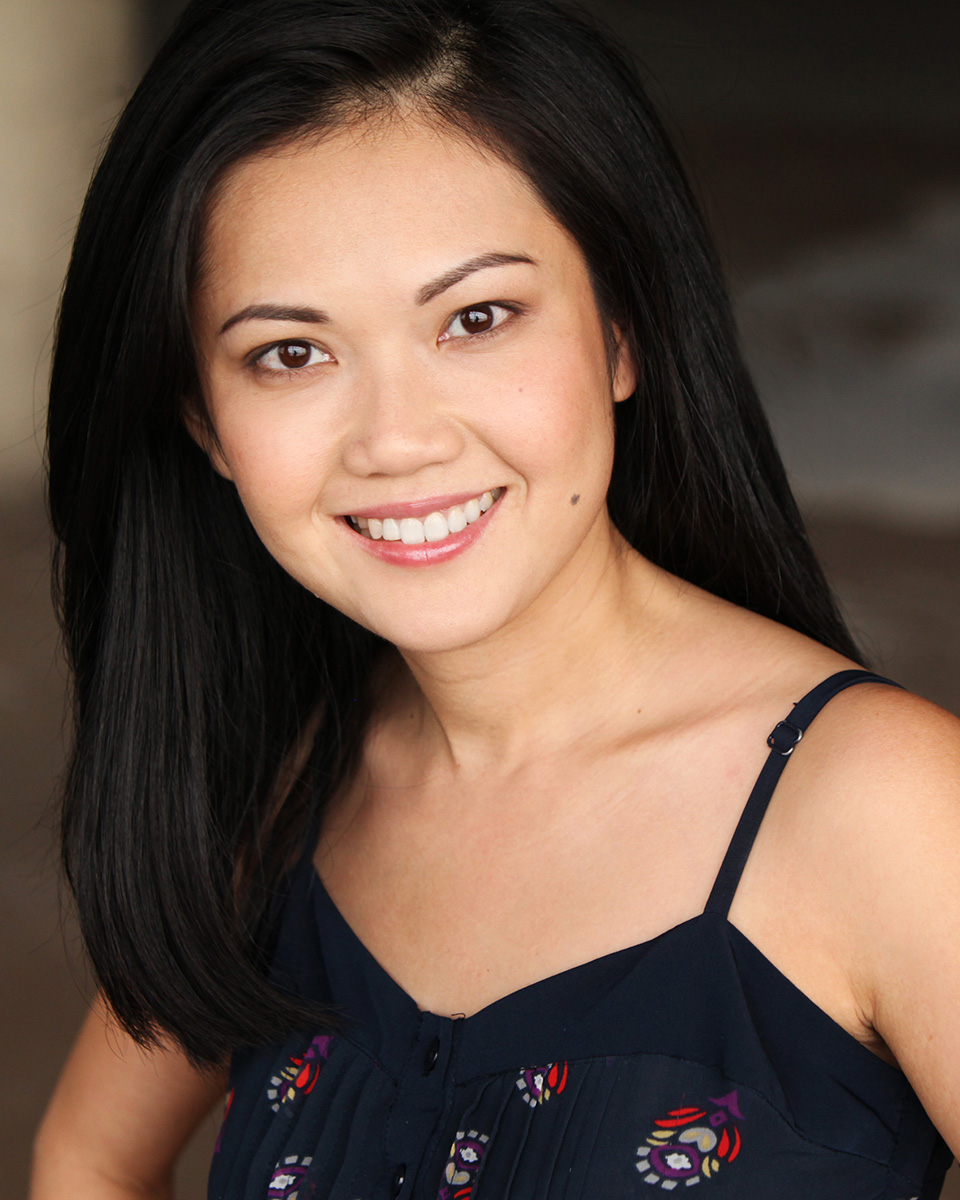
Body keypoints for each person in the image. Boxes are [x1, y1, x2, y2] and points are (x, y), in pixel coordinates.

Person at [31, 0, 960, 1196]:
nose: (398, 441)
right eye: (291, 353)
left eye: (476, 318)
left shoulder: (885, 810)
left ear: (623, 333)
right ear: (206, 423)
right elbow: (87, 1158)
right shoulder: (285, 790)